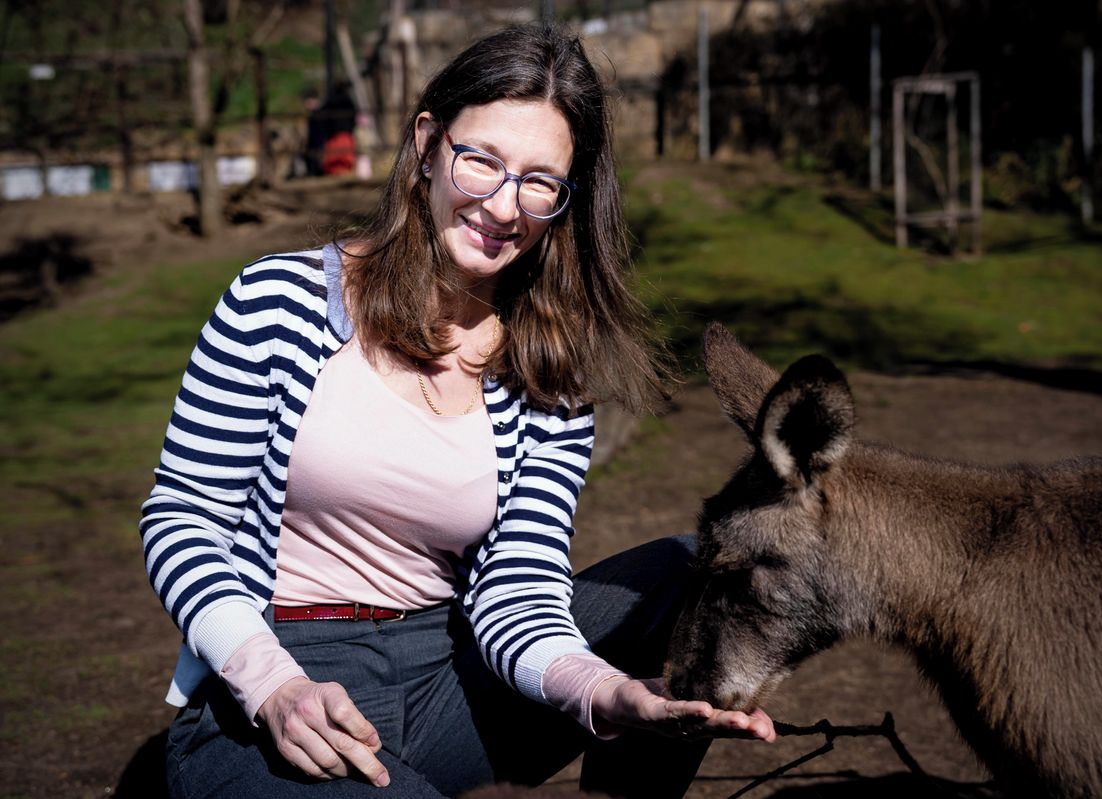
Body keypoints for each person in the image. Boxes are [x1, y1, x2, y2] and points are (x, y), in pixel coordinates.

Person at [142, 24, 775, 799]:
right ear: (428, 145)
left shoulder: (551, 378)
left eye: (541, 181)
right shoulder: (281, 303)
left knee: (692, 567)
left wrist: (607, 691)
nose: (505, 206)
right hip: (280, 684)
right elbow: (181, 516)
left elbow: (521, 591)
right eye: (482, 160)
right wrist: (271, 681)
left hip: (448, 678)